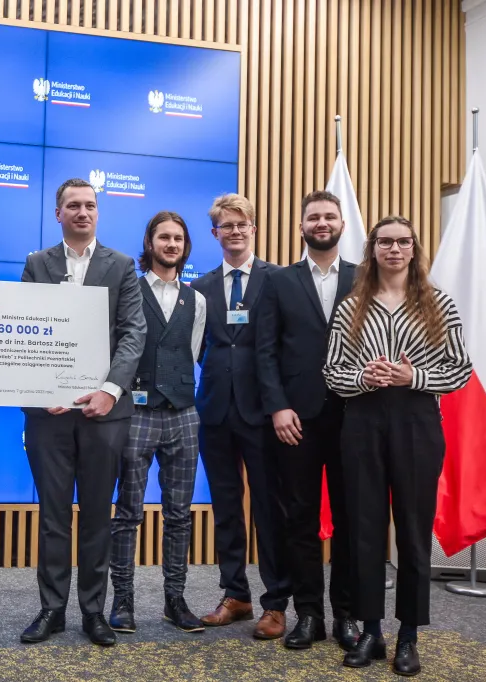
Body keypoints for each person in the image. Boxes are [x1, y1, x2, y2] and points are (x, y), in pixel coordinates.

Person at [324, 216, 471, 676]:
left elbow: (461, 368)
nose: (393, 249)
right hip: (363, 422)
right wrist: (362, 377)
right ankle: (371, 630)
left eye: (402, 242)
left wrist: (414, 376)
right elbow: (331, 372)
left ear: (414, 248)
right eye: (384, 242)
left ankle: (409, 635)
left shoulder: (438, 303)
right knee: (364, 531)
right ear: (372, 250)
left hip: (417, 422)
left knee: (411, 530)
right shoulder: (352, 307)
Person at [19, 178, 146, 647]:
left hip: (104, 413)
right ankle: (52, 609)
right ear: (58, 213)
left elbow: (133, 333)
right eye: (73, 205)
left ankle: (94, 611)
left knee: (96, 514)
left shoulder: (122, 265)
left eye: (90, 205)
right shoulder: (37, 264)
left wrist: (110, 391)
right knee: (53, 515)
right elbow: (27, 330)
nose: (83, 212)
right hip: (49, 413)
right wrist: (41, 384)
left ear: (98, 213)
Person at [255, 190, 360, 651]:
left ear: (341, 224)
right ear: (301, 226)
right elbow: (265, 350)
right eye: (313, 217)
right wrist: (277, 406)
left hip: (354, 418)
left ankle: (349, 617)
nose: (321, 223)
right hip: (294, 420)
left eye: (329, 216)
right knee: (298, 519)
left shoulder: (365, 278)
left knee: (351, 521)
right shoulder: (278, 281)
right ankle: (309, 616)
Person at [190, 193, 291, 640]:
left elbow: (285, 346)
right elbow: (197, 348)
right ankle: (236, 595)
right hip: (214, 410)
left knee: (270, 510)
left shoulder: (279, 280)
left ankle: (276, 603)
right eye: (226, 226)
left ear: (254, 229)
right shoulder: (201, 287)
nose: (234, 232)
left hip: (263, 412)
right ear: (215, 234)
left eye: (242, 225)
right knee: (226, 509)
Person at [109, 211, 207, 635]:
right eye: (163, 237)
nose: (171, 244)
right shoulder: (129, 291)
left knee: (180, 515)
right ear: (149, 243)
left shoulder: (197, 300)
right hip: (137, 414)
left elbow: (193, 348)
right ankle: (123, 601)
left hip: (184, 414)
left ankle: (175, 600)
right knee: (128, 512)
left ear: (185, 247)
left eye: (178, 239)